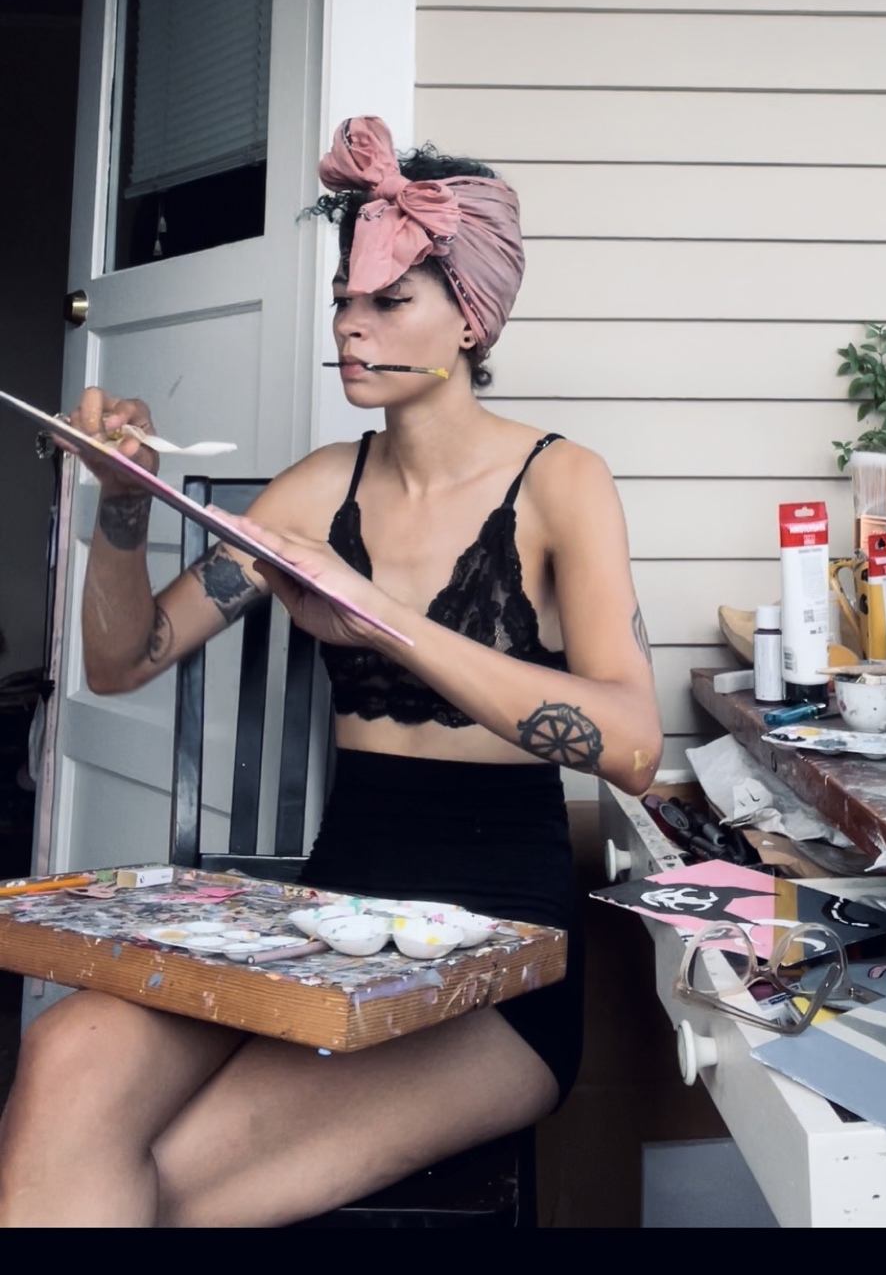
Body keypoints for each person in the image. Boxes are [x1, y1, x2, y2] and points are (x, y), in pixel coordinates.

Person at [0, 115, 661, 1228]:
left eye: (388, 301)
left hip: (499, 956)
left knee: (164, 1182)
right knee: (66, 1053)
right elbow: (121, 661)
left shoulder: (562, 482)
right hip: (323, 919)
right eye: (345, 301)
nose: (352, 325)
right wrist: (120, 506)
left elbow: (634, 746)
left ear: (470, 316)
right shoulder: (315, 489)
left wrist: (382, 619)